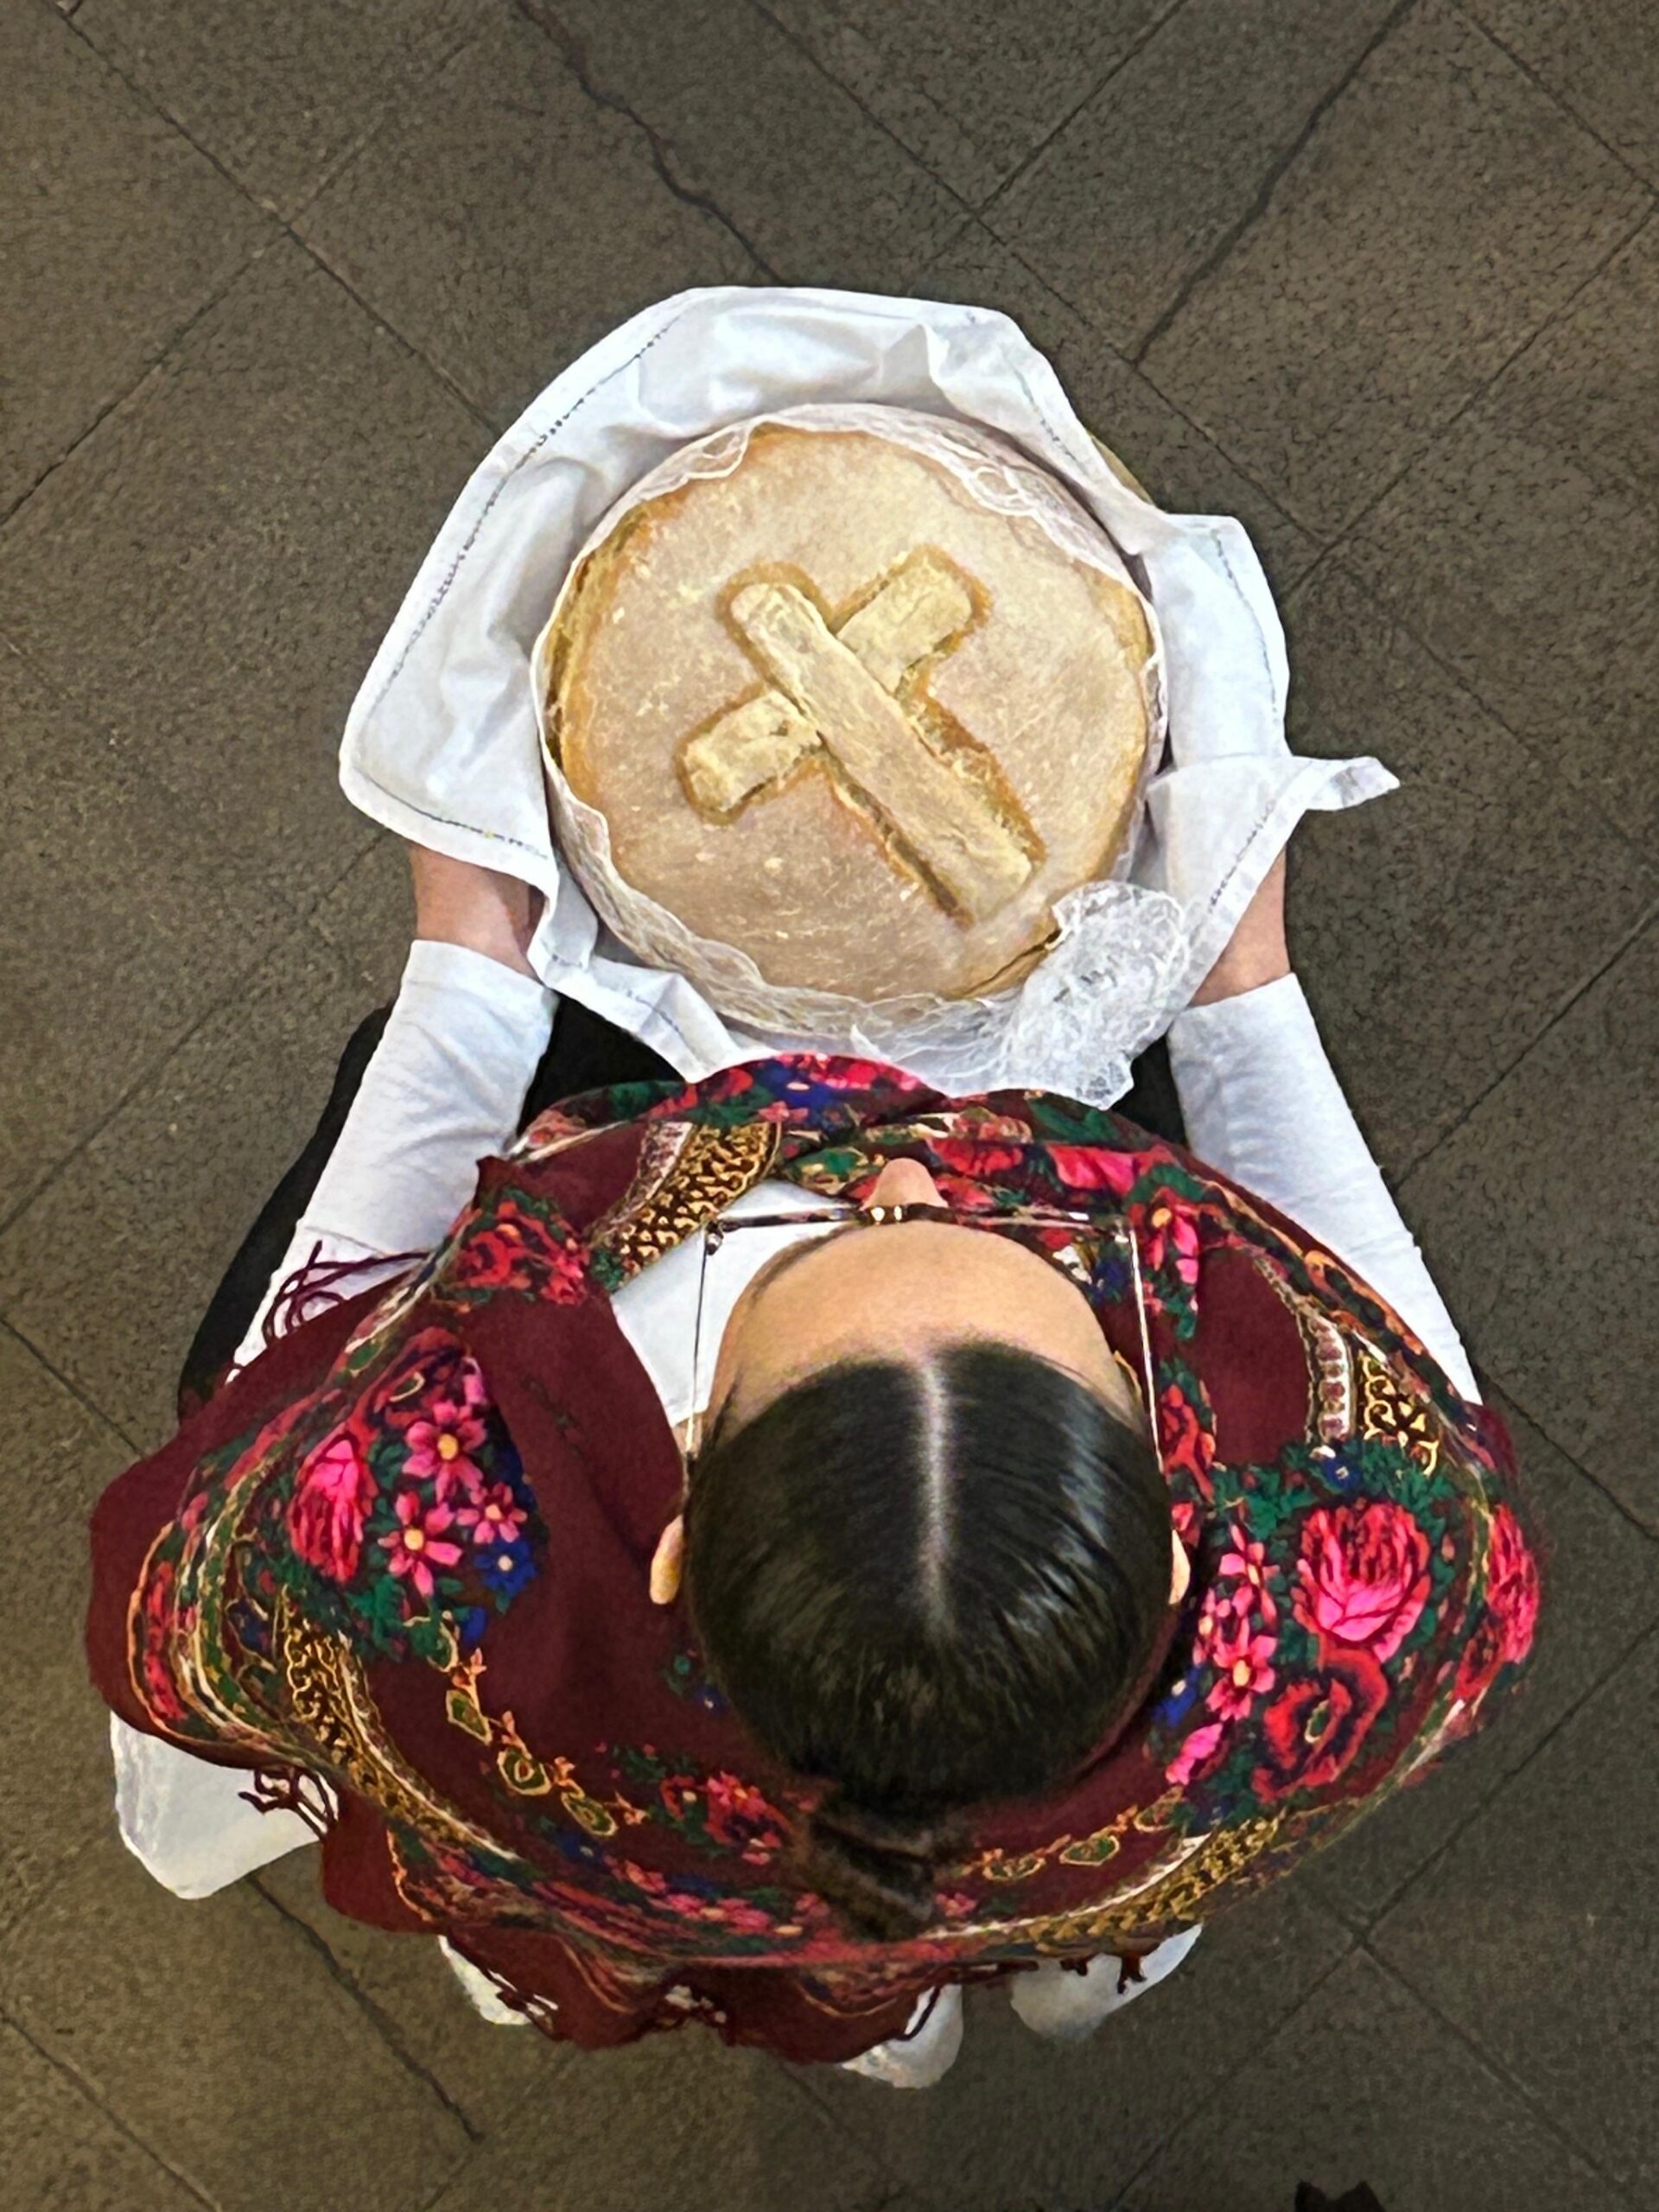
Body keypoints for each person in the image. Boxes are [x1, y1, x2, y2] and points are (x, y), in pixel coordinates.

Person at [86, 842, 1539, 2086]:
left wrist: (469, 963)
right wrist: (1244, 977)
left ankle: (875, 2021)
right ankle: (1016, 1986)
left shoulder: (412, 1545)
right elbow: (1401, 1345)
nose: (903, 1167)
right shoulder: (1372, 1595)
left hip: (616, 1874)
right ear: (1167, 1543)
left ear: (681, 1527)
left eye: (839, 1238)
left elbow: (206, 1571)